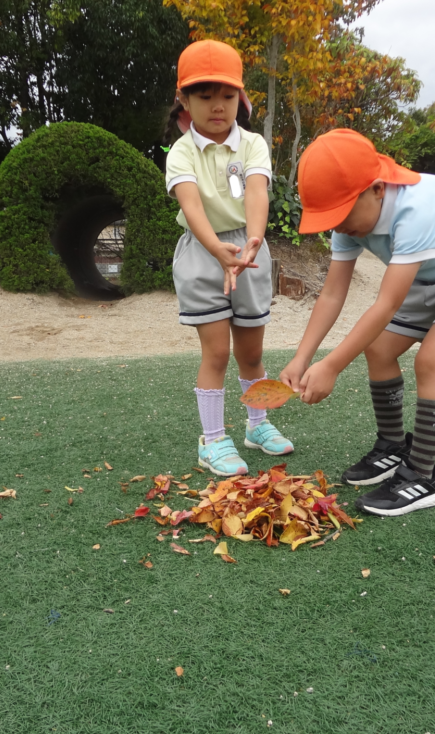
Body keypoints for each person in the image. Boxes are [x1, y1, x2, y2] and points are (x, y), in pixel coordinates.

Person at [279, 129, 435, 516]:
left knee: (431, 360)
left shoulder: (417, 208)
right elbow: (333, 294)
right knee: (380, 348)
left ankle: (421, 476)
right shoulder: (352, 221)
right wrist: (302, 359)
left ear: (375, 189)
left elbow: (386, 304)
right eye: (329, 218)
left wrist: (332, 366)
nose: (337, 226)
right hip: (425, 273)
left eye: (341, 215)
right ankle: (391, 446)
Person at [164, 39, 294, 477]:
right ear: (184, 99)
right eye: (205, 96)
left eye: (227, 95)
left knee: (252, 353)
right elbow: (192, 205)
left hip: (250, 251)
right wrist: (217, 250)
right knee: (217, 352)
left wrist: (254, 239)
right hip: (204, 252)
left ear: (241, 96)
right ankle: (213, 441)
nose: (217, 106)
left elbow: (257, 190)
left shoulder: (253, 144)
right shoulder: (180, 152)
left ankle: (257, 426)